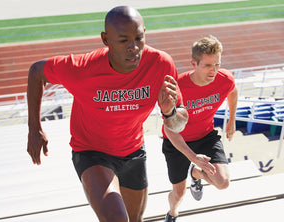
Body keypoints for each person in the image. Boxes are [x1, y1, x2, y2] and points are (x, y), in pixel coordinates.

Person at [27, 6, 189, 222]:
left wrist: (169, 113)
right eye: (123, 41)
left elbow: (179, 124)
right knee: (116, 219)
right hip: (92, 152)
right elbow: (36, 72)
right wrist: (34, 128)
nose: (134, 47)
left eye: (139, 38)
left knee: (135, 219)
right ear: (105, 39)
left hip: (133, 152)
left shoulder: (161, 64)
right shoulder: (82, 68)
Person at [162, 35, 238, 222]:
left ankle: (196, 173)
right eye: (207, 66)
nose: (214, 71)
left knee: (223, 182)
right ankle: (172, 214)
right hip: (177, 141)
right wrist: (193, 157)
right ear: (194, 64)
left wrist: (232, 120)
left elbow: (233, 90)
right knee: (179, 194)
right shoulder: (177, 87)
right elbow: (171, 129)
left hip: (206, 136)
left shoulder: (224, 79)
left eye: (217, 65)